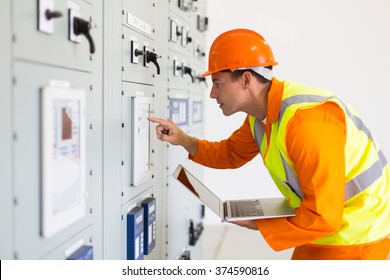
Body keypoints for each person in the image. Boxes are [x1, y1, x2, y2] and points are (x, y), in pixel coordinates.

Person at [148, 29, 390, 260]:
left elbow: (325, 216)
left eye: (218, 83)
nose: (212, 94)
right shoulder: (259, 117)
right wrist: (183, 140)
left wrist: (259, 223)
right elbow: (230, 154)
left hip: (358, 235)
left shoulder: (306, 122)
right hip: (323, 224)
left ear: (246, 79)